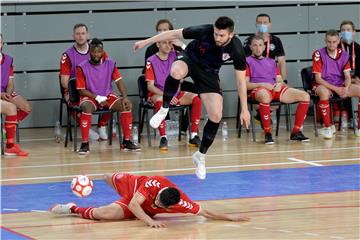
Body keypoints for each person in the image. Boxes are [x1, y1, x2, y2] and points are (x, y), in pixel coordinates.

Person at [133, 16, 250, 180]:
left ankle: (200, 155)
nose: (217, 37)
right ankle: (164, 108)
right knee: (176, 71)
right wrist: (146, 42)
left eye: (221, 35)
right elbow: (172, 33)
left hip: (209, 74)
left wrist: (244, 109)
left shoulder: (237, 49)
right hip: (190, 60)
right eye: (216, 33)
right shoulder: (204, 31)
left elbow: (240, 80)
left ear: (231, 35)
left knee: (216, 115)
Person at [50, 172, 249, 228]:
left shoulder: (182, 203)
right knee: (107, 177)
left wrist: (230, 217)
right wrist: (149, 220)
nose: (157, 206)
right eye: (157, 202)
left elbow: (205, 212)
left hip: (138, 204)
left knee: (104, 215)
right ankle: (120, 201)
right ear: (160, 192)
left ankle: (73, 208)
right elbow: (135, 203)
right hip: (135, 188)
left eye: (160, 207)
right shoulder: (154, 183)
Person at [76, 38, 140, 154]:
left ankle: (126, 142)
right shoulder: (82, 67)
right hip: (90, 97)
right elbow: (81, 90)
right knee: (86, 107)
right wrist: (97, 98)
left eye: (99, 51)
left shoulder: (110, 63)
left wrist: (125, 97)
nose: (96, 54)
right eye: (93, 51)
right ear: (89, 52)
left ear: (103, 51)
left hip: (107, 95)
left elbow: (119, 81)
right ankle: (85, 143)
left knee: (126, 105)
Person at [246, 36, 310, 144]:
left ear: (264, 46)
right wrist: (264, 85)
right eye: (255, 45)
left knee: (305, 96)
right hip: (259, 89)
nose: (258, 48)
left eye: (260, 45)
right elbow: (246, 85)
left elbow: (279, 79)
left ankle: (296, 132)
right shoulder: (246, 61)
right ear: (250, 47)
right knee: (264, 96)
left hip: (274, 89)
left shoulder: (271, 61)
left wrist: (280, 84)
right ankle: (268, 133)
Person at [145, 40, 202, 150]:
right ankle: (163, 138)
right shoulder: (150, 61)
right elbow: (150, 87)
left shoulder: (176, 55)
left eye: (170, 43)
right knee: (160, 101)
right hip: (158, 93)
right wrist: (168, 96)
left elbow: (190, 57)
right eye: (164, 43)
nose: (168, 46)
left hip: (176, 94)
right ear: (158, 44)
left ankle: (194, 135)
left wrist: (182, 77)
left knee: (196, 99)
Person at [60, 23, 111, 141]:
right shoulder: (67, 55)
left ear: (87, 35)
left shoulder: (99, 52)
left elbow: (107, 72)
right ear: (73, 36)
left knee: (112, 98)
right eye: (77, 34)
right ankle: (86, 129)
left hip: (96, 88)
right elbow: (64, 82)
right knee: (73, 101)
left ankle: (102, 125)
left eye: (83, 33)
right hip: (76, 90)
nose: (80, 36)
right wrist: (82, 86)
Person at [312, 29, 360, 139]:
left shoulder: (344, 55)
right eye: (329, 41)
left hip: (339, 84)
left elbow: (347, 76)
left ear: (338, 41)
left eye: (334, 42)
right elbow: (318, 79)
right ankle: (328, 127)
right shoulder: (318, 54)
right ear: (325, 41)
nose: (331, 44)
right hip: (323, 84)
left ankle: (359, 128)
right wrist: (337, 89)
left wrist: (346, 88)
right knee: (323, 92)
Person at [243, 13, 287, 81]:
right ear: (256, 25)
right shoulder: (249, 40)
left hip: (272, 75)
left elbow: (281, 62)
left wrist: (284, 80)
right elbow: (246, 62)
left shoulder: (276, 40)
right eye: (259, 23)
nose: (262, 25)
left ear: (270, 24)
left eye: (265, 22)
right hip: (255, 76)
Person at [1, 34, 32, 124]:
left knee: (26, 107)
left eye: (0, 42)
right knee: (11, 108)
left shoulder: (8, 60)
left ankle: (5, 130)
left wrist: (8, 94)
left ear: (2, 44)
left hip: (5, 92)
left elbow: (10, 83)